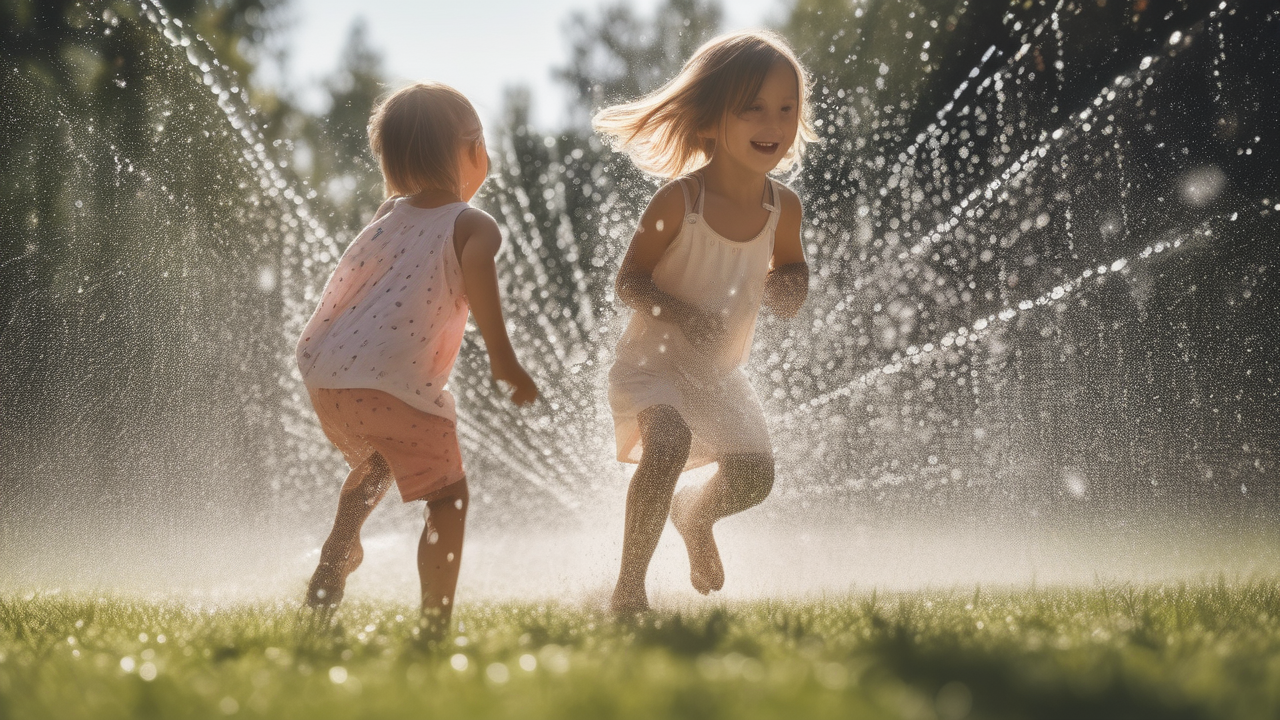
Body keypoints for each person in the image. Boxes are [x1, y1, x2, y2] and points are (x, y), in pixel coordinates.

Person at [295, 82, 538, 634]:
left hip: (328, 375)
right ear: (474, 151)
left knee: (382, 457)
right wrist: (505, 361)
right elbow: (480, 288)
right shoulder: (472, 225)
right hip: (391, 384)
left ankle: (339, 549)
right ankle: (434, 622)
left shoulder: (388, 213)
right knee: (448, 499)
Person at [593, 31, 815, 612]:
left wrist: (787, 287)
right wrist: (684, 314)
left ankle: (693, 516)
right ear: (711, 120)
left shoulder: (782, 207)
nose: (774, 121)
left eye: (787, 108)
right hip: (652, 367)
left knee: (755, 475)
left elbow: (792, 267)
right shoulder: (678, 203)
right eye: (754, 107)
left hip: (717, 374)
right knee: (667, 445)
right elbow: (628, 282)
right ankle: (630, 587)